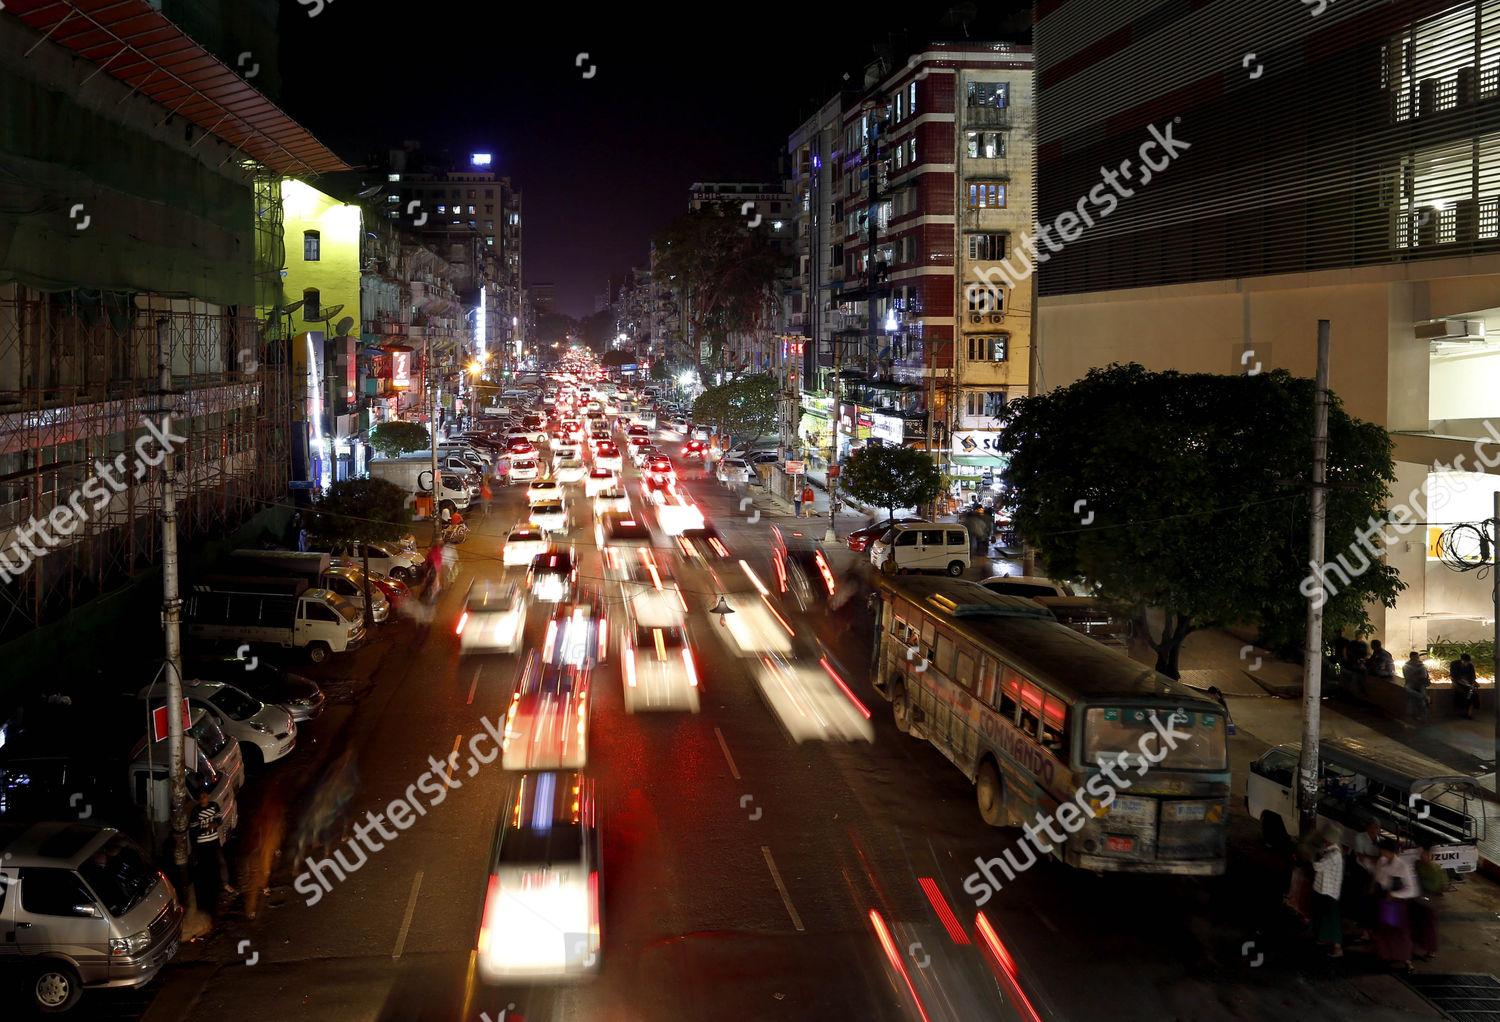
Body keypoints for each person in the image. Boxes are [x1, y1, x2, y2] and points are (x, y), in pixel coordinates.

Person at [1371, 838, 1418, 970]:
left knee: (1400, 932)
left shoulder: (1403, 866)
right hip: (1384, 898)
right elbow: (1378, 878)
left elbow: (1411, 890)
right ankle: (1387, 955)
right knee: (1384, 930)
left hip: (1397, 902)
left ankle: (1406, 959)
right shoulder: (1382, 861)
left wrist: (1394, 895)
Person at [189, 791, 231, 922]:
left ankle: (225, 884)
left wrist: (214, 825)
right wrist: (207, 828)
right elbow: (194, 830)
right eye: (201, 797)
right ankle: (207, 893)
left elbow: (219, 819)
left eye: (205, 796)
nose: (203, 799)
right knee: (205, 867)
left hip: (214, 841)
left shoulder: (214, 806)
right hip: (202, 844)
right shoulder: (196, 811)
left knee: (221, 862)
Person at [1309, 831, 1346, 957]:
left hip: (1330, 891)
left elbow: (1318, 867)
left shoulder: (1335, 855)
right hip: (1322, 889)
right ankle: (1324, 938)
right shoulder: (1328, 850)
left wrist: (1310, 860)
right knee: (1324, 916)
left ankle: (1337, 946)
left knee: (1332, 918)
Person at [1410, 844, 1445, 961]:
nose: (1423, 857)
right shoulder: (1418, 865)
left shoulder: (1436, 870)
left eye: (1425, 855)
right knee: (1418, 924)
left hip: (1429, 900)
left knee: (1429, 926)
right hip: (1419, 898)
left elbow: (1439, 886)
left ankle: (1430, 950)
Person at [1404, 651, 1431, 725]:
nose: (1417, 658)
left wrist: (1415, 675)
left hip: (1421, 683)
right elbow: (1408, 677)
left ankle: (1424, 717)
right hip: (1411, 683)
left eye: (1417, 657)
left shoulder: (1421, 665)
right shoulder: (1407, 665)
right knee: (1409, 690)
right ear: (1411, 657)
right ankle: (1424, 697)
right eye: (1416, 657)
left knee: (1420, 700)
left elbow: (1423, 676)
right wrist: (1417, 675)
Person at [1451, 653, 1479, 719]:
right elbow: (1456, 677)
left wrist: (1471, 684)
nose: (1466, 664)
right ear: (1462, 660)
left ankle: (1469, 714)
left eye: (1468, 662)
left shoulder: (1470, 666)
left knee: (1473, 695)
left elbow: (1472, 677)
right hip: (1458, 682)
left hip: (1468, 683)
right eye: (1465, 662)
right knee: (1461, 694)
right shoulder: (1454, 664)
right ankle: (1462, 711)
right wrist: (1467, 684)